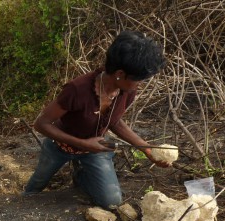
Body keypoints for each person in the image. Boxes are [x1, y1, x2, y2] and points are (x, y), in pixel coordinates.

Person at [25, 30, 169, 208]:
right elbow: (41, 124)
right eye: (139, 80)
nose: (140, 84)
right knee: (35, 188)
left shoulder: (126, 90)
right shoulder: (77, 90)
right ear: (120, 74)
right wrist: (83, 144)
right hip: (59, 146)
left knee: (112, 201)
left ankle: (81, 174)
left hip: (95, 150)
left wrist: (148, 150)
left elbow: (114, 121)